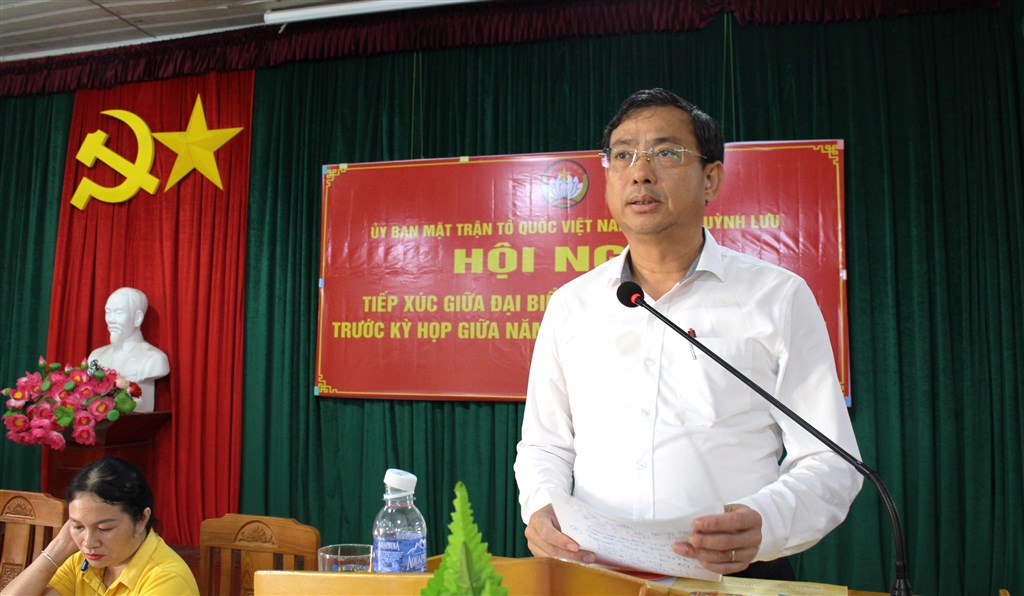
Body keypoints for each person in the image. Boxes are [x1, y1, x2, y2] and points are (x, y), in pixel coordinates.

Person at [513, 88, 863, 580]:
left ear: (711, 178)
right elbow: (544, 445)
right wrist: (542, 506)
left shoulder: (777, 297)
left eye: (666, 153)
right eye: (623, 154)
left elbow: (830, 460)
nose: (640, 172)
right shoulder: (572, 305)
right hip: (599, 575)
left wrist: (765, 522)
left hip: (735, 575)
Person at [1, 456, 198, 595]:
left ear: (141, 519)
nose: (89, 543)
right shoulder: (82, 562)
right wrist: (59, 547)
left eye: (104, 529)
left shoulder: (167, 578)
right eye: (78, 527)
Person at [87, 288, 169, 413]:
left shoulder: (154, 359)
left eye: (118, 313)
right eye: (108, 312)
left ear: (138, 318)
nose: (111, 320)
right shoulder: (96, 356)